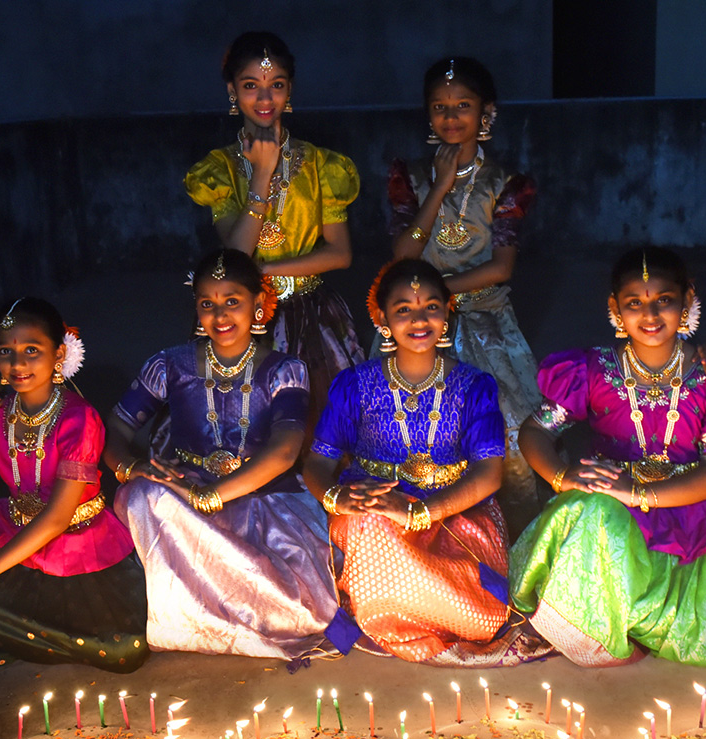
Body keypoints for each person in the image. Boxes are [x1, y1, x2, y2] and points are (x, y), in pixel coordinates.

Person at [509, 248, 706, 671]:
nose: (650, 314)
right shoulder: (594, 370)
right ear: (615, 308)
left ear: (688, 300)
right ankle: (588, 628)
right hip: (611, 511)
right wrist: (562, 477)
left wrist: (639, 493)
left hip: (694, 507)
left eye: (664, 300)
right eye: (634, 303)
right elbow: (535, 431)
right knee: (594, 511)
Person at [305, 258, 551, 666]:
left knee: (482, 617)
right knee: (371, 523)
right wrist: (337, 498)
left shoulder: (474, 386)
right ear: (382, 319)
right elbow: (317, 463)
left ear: (447, 313)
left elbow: (489, 474)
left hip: (455, 514)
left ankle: (437, 608)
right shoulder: (354, 385)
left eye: (431, 307)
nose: (419, 320)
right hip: (373, 516)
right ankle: (390, 618)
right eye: (404, 309)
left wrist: (419, 512)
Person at [106, 249, 338, 658]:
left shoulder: (285, 369)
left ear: (259, 304)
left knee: (301, 612)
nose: (220, 315)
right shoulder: (170, 364)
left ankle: (220, 613)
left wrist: (212, 496)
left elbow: (285, 452)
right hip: (189, 499)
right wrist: (131, 466)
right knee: (144, 495)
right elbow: (117, 427)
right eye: (207, 304)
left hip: (267, 501)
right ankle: (188, 617)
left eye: (233, 301)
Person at [0, 297, 148, 672]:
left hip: (81, 547)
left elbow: (57, 519)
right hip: (10, 537)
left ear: (59, 354)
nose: (17, 364)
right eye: (5, 351)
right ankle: (39, 639)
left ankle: (21, 637)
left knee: (123, 649)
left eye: (32, 350)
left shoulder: (79, 419)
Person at [389, 56, 541, 534]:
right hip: (418, 327)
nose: (451, 117)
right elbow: (403, 256)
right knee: (410, 433)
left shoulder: (506, 184)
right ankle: (422, 533)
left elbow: (501, 267)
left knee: (503, 430)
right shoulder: (410, 178)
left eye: (463, 106)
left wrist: (434, 294)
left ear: (486, 112)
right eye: (440, 106)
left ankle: (504, 535)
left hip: (484, 322)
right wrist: (439, 187)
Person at [185, 31, 363, 432]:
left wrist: (265, 273)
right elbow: (237, 255)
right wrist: (262, 173)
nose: (265, 99)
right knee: (244, 429)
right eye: (251, 86)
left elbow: (340, 254)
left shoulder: (321, 164)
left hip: (311, 314)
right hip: (241, 317)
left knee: (321, 428)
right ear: (232, 91)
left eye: (276, 85)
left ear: (290, 90)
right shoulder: (219, 169)